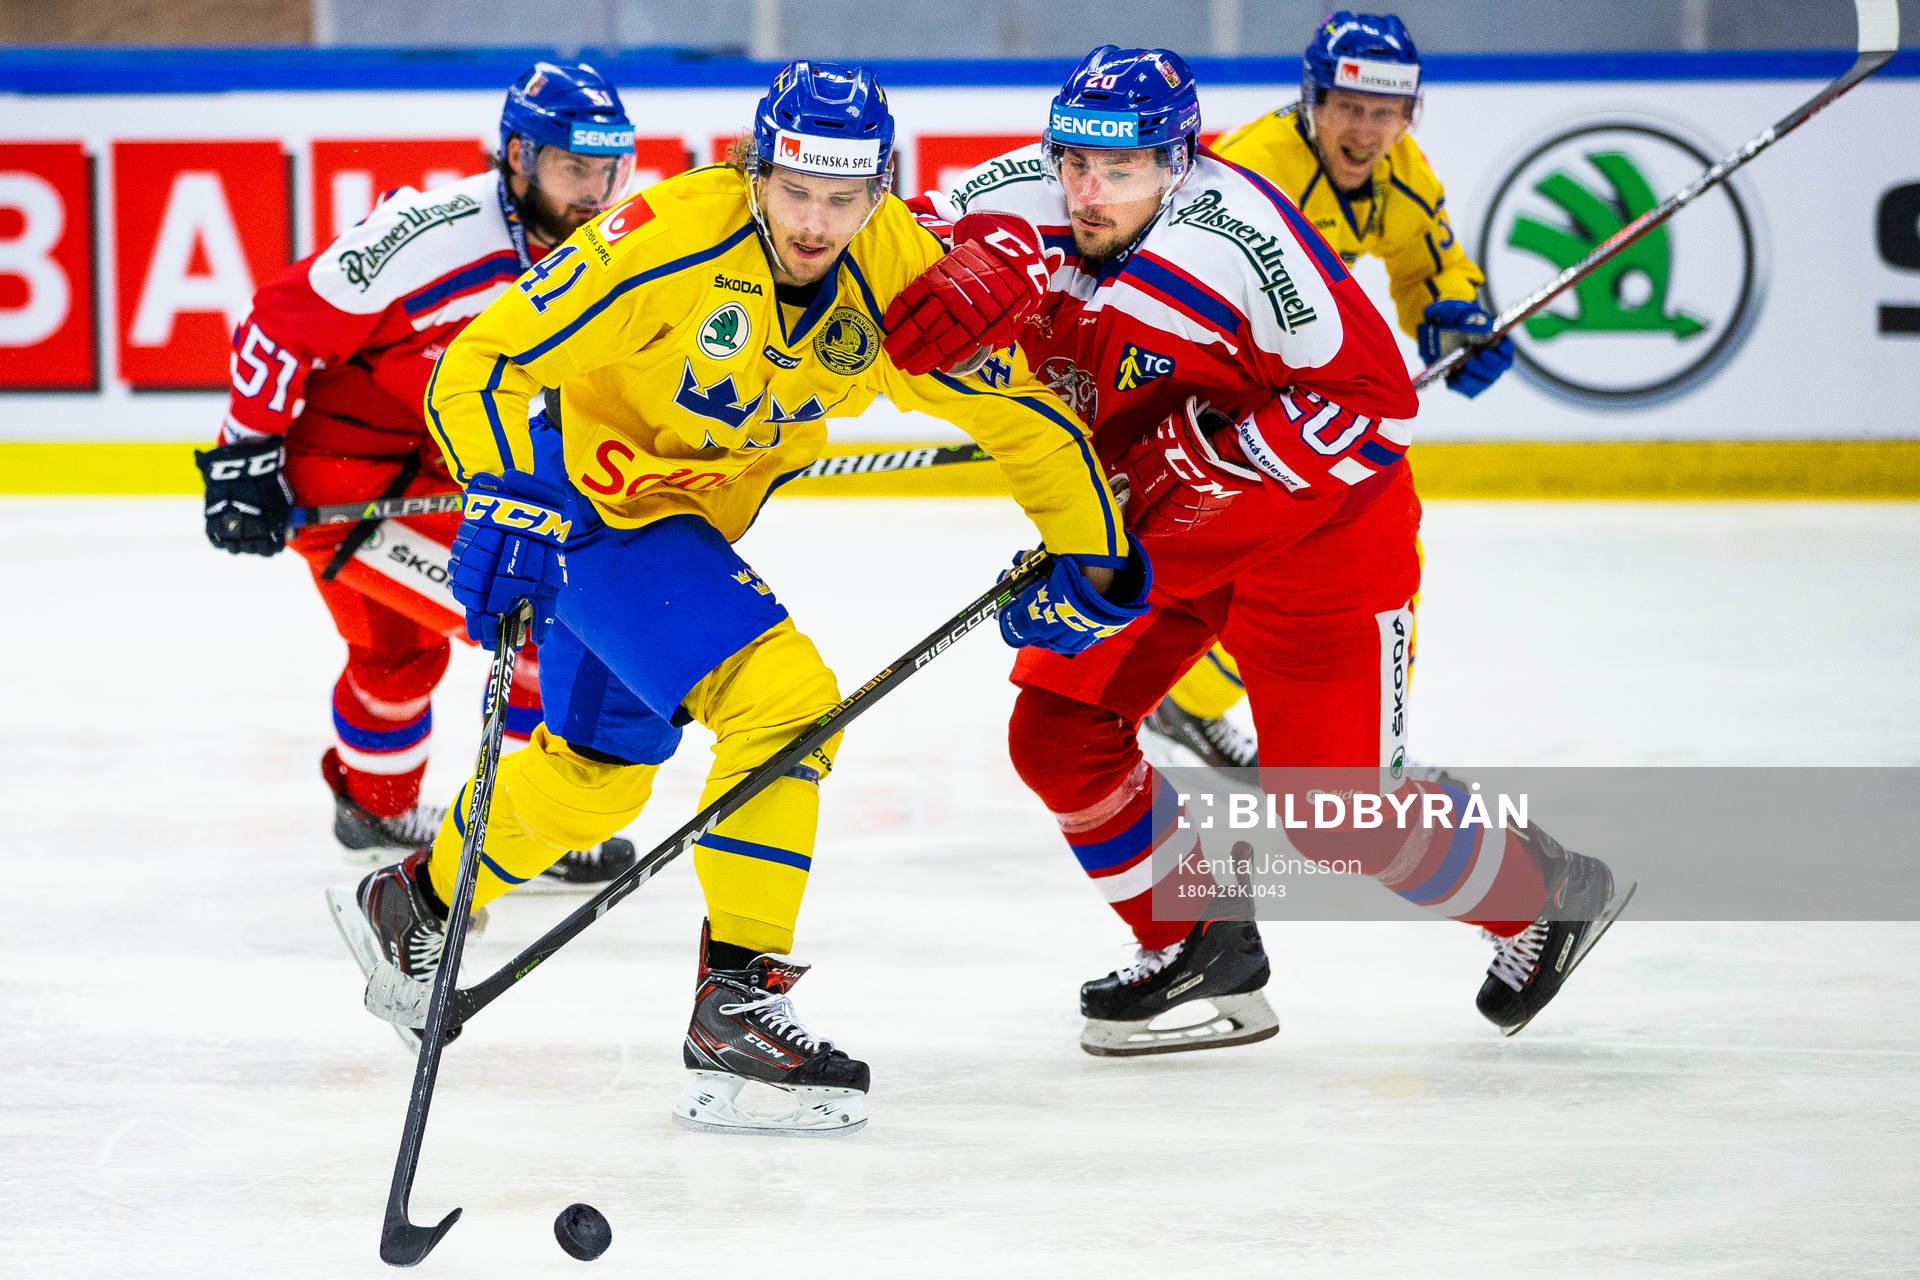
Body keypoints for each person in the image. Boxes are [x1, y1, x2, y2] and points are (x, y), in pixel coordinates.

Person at [334, 60, 1148, 1135]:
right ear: (755, 169)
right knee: (787, 699)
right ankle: (740, 1002)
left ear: (880, 187)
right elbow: (482, 362)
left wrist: (1096, 551)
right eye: (796, 190)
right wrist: (504, 492)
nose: (817, 221)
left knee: (595, 784)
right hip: (582, 502)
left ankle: (417, 903)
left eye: (844, 197)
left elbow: (1016, 418)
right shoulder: (670, 237)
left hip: (683, 524)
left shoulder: (894, 263)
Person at [884, 45, 1629, 1054]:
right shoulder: (1023, 191)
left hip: (1320, 532)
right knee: (1057, 731)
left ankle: (1545, 893)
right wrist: (954, 260)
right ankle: (1199, 941)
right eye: (1073, 163)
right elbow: (892, 244)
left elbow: (1376, 410)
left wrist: (1174, 491)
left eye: (1123, 169)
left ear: (1180, 160)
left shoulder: (1243, 242)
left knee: (1338, 815)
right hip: (1157, 523)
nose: (1088, 193)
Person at [194, 62, 640, 888]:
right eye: (574, 167)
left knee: (395, 658)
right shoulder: (430, 237)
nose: (596, 190)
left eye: (611, 169)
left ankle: (373, 804)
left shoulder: (604, 251)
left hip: (432, 469)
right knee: (543, 623)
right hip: (345, 483)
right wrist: (241, 459)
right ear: (517, 156)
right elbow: (280, 319)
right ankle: (520, 827)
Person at [1141, 12, 1516, 776]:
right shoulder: (1252, 170)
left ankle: (1204, 701)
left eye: (1387, 112)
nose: (1368, 130)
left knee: (1318, 573)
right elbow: (1165, 283)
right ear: (1312, 101)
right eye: (1350, 108)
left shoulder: (1404, 172)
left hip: (1290, 405)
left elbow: (1427, 266)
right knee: (1286, 573)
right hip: (1221, 399)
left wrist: (1458, 314)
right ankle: (1351, 756)